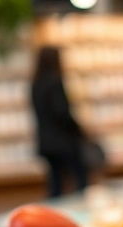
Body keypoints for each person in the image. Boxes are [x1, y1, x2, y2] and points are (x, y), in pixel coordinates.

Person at [31, 46, 89, 199]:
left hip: (45, 143)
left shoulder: (35, 84)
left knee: (56, 183)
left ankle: (51, 218)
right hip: (63, 142)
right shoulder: (55, 81)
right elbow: (62, 112)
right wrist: (80, 130)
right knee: (80, 179)